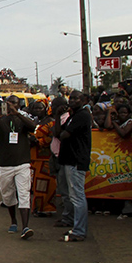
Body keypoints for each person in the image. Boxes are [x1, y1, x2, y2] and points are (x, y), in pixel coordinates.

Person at [0, 95, 36, 239]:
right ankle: (13, 221)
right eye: (9, 104)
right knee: (7, 195)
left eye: (14, 103)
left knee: (24, 193)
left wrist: (17, 113)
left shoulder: (22, 119)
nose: (11, 106)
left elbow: (33, 127)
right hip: (6, 165)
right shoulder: (2, 121)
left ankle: (25, 226)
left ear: (18, 105)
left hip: (23, 163)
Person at [54, 91, 92, 242]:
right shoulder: (72, 116)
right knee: (71, 194)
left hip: (76, 160)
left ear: (83, 100)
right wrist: (57, 116)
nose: (73, 101)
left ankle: (79, 230)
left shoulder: (82, 115)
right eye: (71, 98)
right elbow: (57, 132)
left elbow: (63, 135)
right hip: (68, 160)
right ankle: (73, 223)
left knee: (77, 196)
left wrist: (62, 130)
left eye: (77, 98)